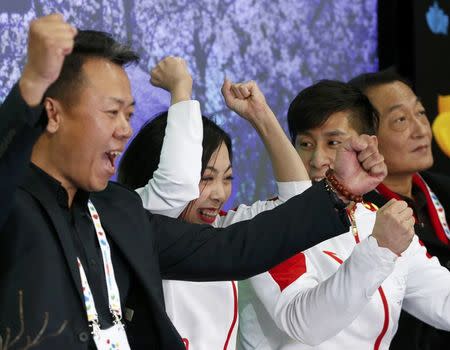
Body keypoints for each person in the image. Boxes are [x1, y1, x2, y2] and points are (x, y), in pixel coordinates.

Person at [0, 14, 385, 350]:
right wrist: (30, 86)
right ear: (52, 113)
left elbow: (233, 248)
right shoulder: (15, 205)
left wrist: (339, 188)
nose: (124, 129)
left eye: (129, 113)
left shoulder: (119, 210)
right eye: (112, 112)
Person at [237, 80, 450, 350]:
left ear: (369, 146)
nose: (317, 159)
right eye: (305, 144)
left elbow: (444, 300)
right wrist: (380, 250)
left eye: (333, 142)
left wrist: (381, 245)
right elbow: (305, 325)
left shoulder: (375, 220)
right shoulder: (267, 223)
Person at [118, 55, 311, 349]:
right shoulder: (139, 222)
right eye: (206, 178)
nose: (220, 193)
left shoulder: (224, 231)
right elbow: (178, 185)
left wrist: (260, 116)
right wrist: (180, 89)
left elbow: (298, 203)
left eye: (228, 177)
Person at [350, 69, 450, 350]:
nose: (421, 129)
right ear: (365, 138)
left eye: (420, 113)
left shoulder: (444, 190)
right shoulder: (356, 214)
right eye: (401, 120)